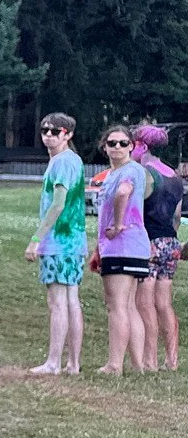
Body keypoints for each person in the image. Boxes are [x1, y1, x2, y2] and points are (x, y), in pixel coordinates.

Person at [24, 113, 86, 375]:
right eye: (44, 130)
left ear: (67, 134)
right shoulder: (73, 161)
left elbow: (58, 204)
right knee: (71, 299)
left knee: (58, 301)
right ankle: (72, 364)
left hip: (60, 242)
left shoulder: (62, 163)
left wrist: (36, 239)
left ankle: (54, 363)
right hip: (74, 241)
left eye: (55, 131)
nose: (48, 135)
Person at [96, 124, 151, 375]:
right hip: (135, 247)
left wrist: (117, 225)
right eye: (111, 143)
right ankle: (137, 365)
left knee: (116, 305)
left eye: (122, 143)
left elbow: (122, 193)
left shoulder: (129, 171)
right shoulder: (117, 172)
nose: (117, 147)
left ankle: (114, 364)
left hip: (122, 245)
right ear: (104, 147)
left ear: (132, 146)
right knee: (129, 305)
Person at [134, 125, 182, 370]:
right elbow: (175, 216)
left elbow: (138, 210)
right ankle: (172, 359)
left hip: (149, 242)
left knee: (144, 303)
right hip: (171, 243)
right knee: (164, 303)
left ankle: (149, 359)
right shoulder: (174, 176)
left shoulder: (145, 173)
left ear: (141, 145)